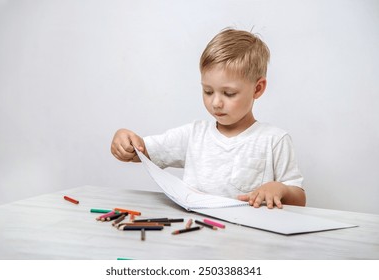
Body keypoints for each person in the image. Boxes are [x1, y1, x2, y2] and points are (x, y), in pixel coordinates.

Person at [111, 28, 306, 209]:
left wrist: (280, 189)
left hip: (246, 242)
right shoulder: (194, 135)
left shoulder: (274, 140)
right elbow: (142, 152)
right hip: (196, 234)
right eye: (208, 91)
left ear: (257, 89)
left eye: (228, 93)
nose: (216, 103)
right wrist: (125, 140)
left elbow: (299, 199)